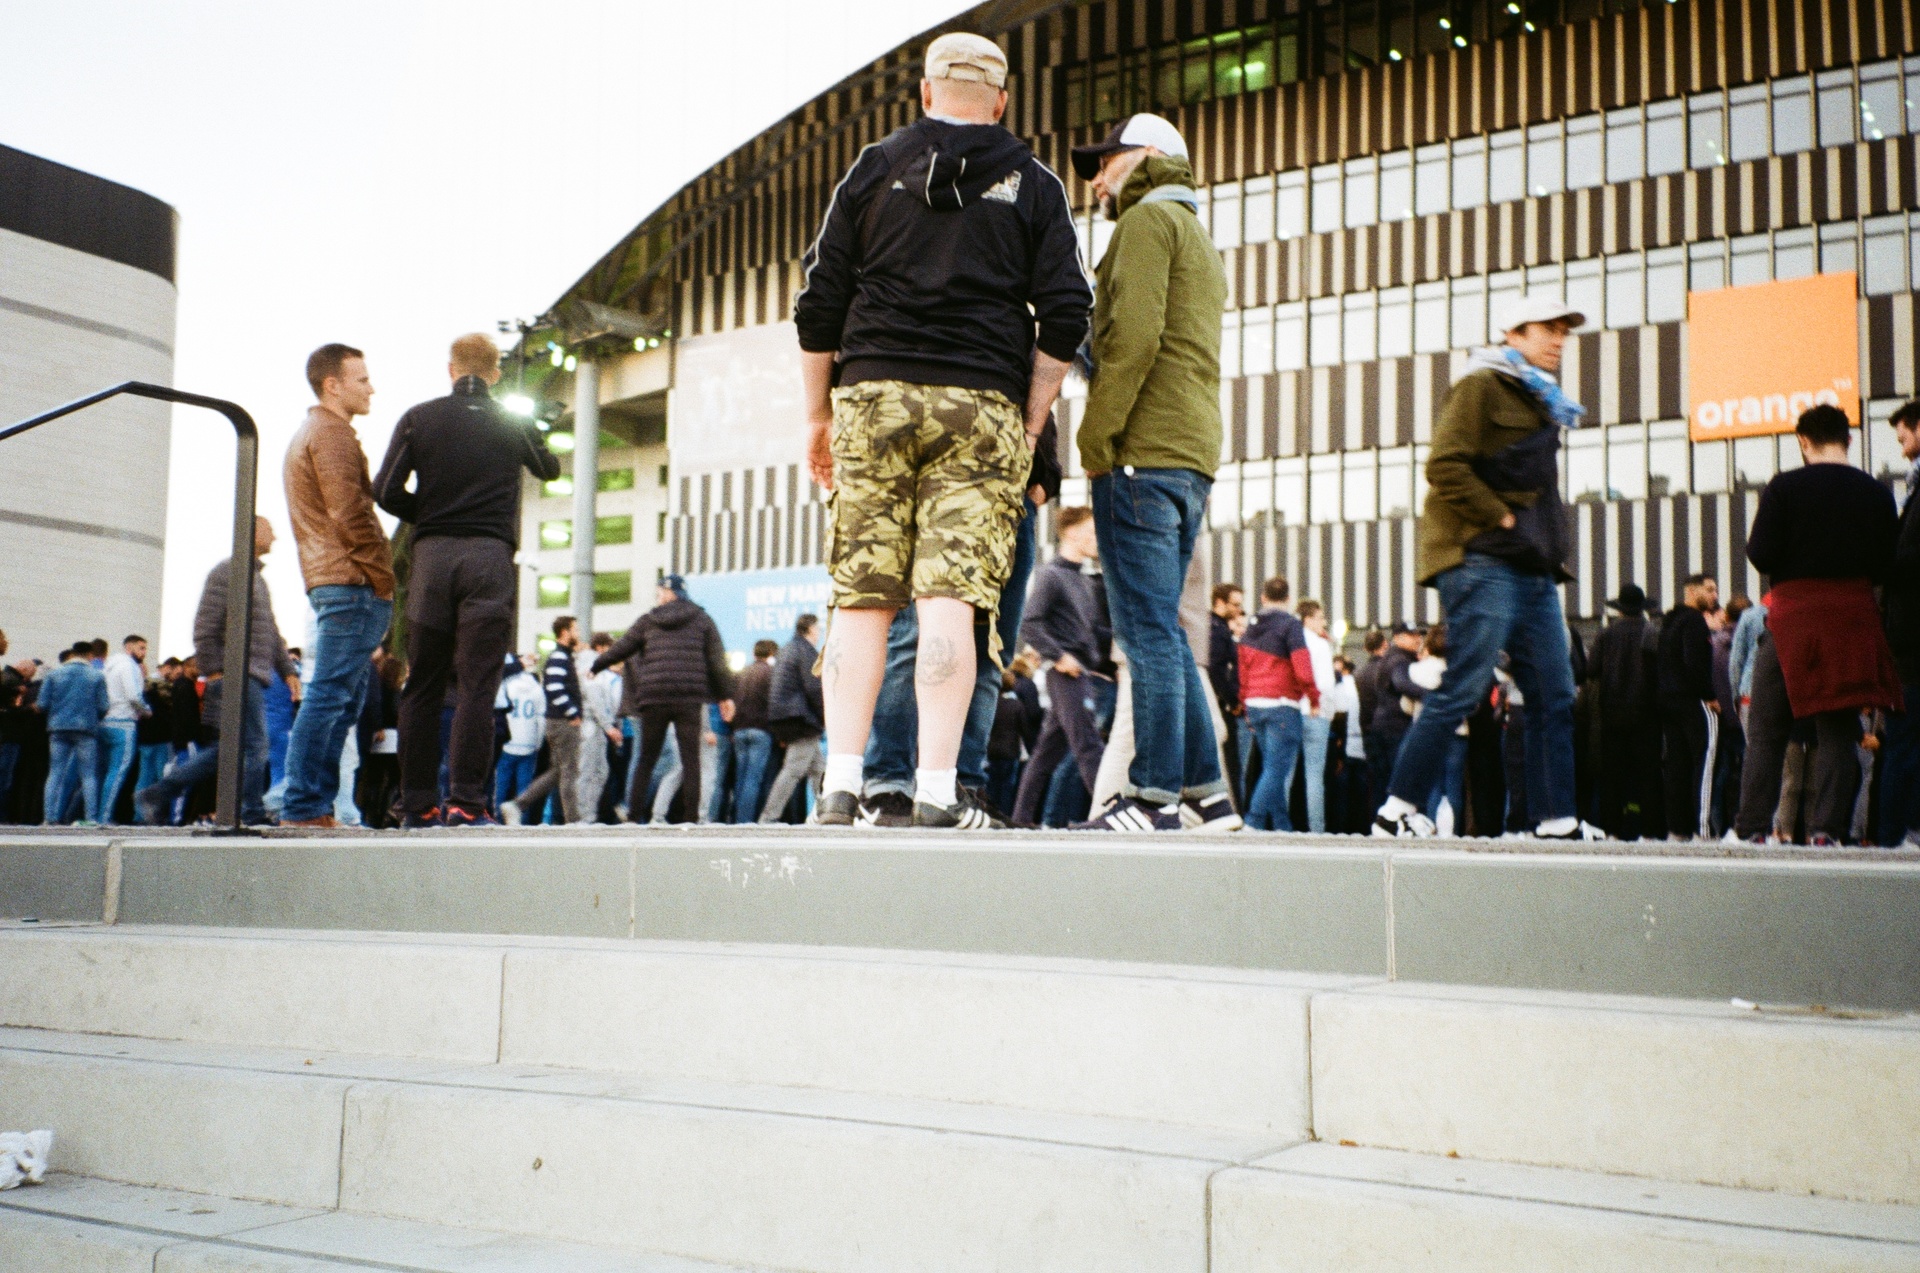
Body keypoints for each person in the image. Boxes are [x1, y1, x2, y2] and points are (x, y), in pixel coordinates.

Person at [793, 32, 1089, 830]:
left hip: (874, 393)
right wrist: (1029, 419)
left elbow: (819, 301)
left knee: (861, 601)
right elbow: (1066, 313)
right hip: (981, 405)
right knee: (952, 603)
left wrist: (820, 413)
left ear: (924, 95)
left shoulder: (874, 166)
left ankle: (842, 786)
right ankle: (933, 791)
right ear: (1001, 100)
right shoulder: (1035, 183)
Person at [1372, 295, 1602, 841]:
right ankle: (1396, 811)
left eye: (1564, 332)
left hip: (1533, 567)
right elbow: (1444, 466)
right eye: (1547, 328)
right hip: (1479, 560)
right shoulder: (1482, 385)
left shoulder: (1544, 400)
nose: (1558, 339)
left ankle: (1556, 820)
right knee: (1464, 685)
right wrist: (1499, 517)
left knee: (1554, 691)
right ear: (1513, 333)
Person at [1068, 113, 1236, 832]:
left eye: (1106, 162)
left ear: (1148, 156)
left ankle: (1153, 795)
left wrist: (1095, 438)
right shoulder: (1195, 236)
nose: (1097, 179)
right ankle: (1207, 790)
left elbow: (1131, 341)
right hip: (1189, 456)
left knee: (1145, 634)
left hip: (1139, 451)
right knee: (1164, 625)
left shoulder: (1142, 225)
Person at [375, 334, 561, 827]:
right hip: (489, 560)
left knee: (423, 683)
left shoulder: (420, 416)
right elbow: (549, 468)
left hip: (434, 560)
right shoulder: (511, 420)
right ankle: (466, 803)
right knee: (479, 686)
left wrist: (431, 515)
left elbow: (384, 489)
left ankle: (416, 804)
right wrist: (530, 428)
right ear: (496, 373)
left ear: (450, 369)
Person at [1735, 404, 1902, 845]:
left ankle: (1752, 828)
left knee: (1768, 728)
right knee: (1838, 729)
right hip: (1852, 618)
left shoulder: (1785, 487)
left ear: (1803, 442)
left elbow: (1761, 554)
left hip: (1795, 617)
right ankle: (1828, 830)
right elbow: (1889, 563)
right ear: (1848, 440)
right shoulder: (1876, 492)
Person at [281, 343, 396, 829]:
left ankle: (313, 805)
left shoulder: (316, 432)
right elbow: (351, 514)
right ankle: (304, 805)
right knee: (330, 696)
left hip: (336, 580)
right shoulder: (332, 435)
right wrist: (383, 578)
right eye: (362, 379)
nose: (372, 387)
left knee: (339, 700)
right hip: (349, 582)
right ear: (333, 384)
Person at [135, 517, 299, 827]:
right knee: (254, 746)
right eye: (269, 529)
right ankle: (249, 812)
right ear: (251, 532)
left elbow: (272, 632)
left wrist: (287, 670)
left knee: (229, 749)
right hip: (235, 674)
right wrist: (218, 670)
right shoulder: (228, 572)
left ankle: (157, 794)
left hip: (246, 675)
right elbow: (205, 627)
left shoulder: (255, 579)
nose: (275, 536)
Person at [593, 576, 734, 825]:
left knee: (646, 758)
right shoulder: (702, 619)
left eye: (660, 591)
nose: (657, 595)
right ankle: (691, 818)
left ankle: (634, 816)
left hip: (654, 696)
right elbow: (716, 660)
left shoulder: (649, 620)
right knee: (691, 761)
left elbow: (624, 645)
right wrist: (725, 696)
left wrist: (598, 664)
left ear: (670, 593)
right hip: (688, 697)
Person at [1010, 507, 1107, 827]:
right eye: (1092, 532)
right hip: (1065, 675)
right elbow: (1030, 623)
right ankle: (1107, 814)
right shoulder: (1050, 575)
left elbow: (1092, 633)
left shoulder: (1084, 581)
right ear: (1071, 533)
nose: (1097, 540)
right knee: (1089, 746)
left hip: (1082, 673)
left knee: (1046, 754)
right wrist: (1059, 656)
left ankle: (1022, 819)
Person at [1236, 577, 1318, 832]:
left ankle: (1283, 825)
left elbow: (1243, 668)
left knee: (1271, 769)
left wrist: (1244, 700)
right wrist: (1313, 697)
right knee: (1276, 770)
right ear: (1288, 599)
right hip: (1282, 703)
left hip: (1255, 703)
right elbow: (1302, 666)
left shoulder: (1251, 627)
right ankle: (1253, 822)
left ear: (1263, 597)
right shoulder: (1291, 625)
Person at [1587, 584, 1661, 838]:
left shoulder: (1606, 634)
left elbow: (1591, 669)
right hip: (1646, 716)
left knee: (1612, 777)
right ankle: (1650, 831)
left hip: (1612, 715)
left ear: (1619, 609)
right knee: (1648, 776)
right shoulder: (1652, 632)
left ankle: (1612, 831)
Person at [1654, 574, 1721, 841]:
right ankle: (1703, 829)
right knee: (1705, 759)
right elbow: (1695, 662)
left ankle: (1678, 829)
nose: (1715, 595)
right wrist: (1710, 696)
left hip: (1667, 700)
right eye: (1710, 589)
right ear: (1691, 592)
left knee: (1677, 766)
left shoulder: (1669, 622)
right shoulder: (1695, 622)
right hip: (1692, 700)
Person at [1880, 401, 1920, 847]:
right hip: (1908, 641)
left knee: (1904, 744)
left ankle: (1897, 834)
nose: (1899, 443)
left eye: (1904, 433)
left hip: (1911, 642)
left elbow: (1908, 558)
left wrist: (1882, 560)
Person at [503, 617, 585, 826]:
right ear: (564, 632)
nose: (578, 633)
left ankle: (518, 804)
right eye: (575, 629)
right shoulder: (559, 658)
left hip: (557, 721)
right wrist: (572, 712)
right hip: (563, 722)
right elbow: (555, 688)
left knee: (557, 771)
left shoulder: (562, 657)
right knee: (569, 771)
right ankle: (573, 820)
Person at [760, 615, 826, 823]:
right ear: (809, 629)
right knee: (793, 770)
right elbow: (813, 686)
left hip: (787, 715)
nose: (820, 632)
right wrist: (826, 715)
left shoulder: (788, 648)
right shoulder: (806, 651)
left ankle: (825, 813)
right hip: (799, 718)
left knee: (818, 769)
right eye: (818, 628)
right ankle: (768, 818)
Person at [38, 644, 109, 826]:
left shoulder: (54, 674)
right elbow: (103, 706)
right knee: (88, 775)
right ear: (90, 655)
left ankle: (49, 817)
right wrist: (94, 718)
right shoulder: (96, 676)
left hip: (58, 728)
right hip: (86, 729)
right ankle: (91, 818)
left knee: (55, 772)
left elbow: (42, 704)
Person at [95, 635, 149, 823]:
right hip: (124, 723)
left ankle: (92, 815)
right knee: (117, 773)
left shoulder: (108, 666)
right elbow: (134, 695)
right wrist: (146, 710)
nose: (144, 653)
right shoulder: (129, 666)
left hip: (104, 722)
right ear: (129, 647)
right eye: (141, 648)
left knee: (99, 773)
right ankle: (104, 817)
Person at [728, 640, 779, 824]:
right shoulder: (771, 673)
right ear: (772, 653)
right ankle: (745, 821)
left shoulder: (742, 673)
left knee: (740, 778)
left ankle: (735, 818)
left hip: (740, 730)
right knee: (753, 779)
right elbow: (773, 703)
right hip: (760, 730)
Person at [1298, 600, 1337, 833]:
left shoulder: (1291, 643)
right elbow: (1327, 684)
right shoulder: (1321, 645)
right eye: (1320, 617)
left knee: (1285, 773)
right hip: (1317, 711)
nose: (1323, 622)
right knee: (1314, 775)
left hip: (1294, 711)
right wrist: (1328, 712)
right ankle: (1316, 829)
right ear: (1309, 618)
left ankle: (1279, 827)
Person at [576, 632, 622, 825]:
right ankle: (584, 816)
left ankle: (590, 814)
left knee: (600, 770)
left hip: (597, 724)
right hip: (591, 724)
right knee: (588, 770)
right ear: (602, 648)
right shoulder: (591, 663)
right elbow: (594, 695)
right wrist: (608, 725)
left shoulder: (595, 665)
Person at [493, 653, 545, 815]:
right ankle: (523, 822)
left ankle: (497, 818)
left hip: (508, 742)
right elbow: (541, 718)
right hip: (528, 743)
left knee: (501, 785)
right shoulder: (536, 688)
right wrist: (538, 743)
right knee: (525, 788)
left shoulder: (506, 683)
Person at [1324, 654, 1366, 833]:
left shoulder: (1340, 686)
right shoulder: (1357, 684)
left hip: (1341, 744)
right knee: (1359, 794)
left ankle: (1339, 829)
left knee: (1339, 793)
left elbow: (1339, 715)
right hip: (1359, 744)